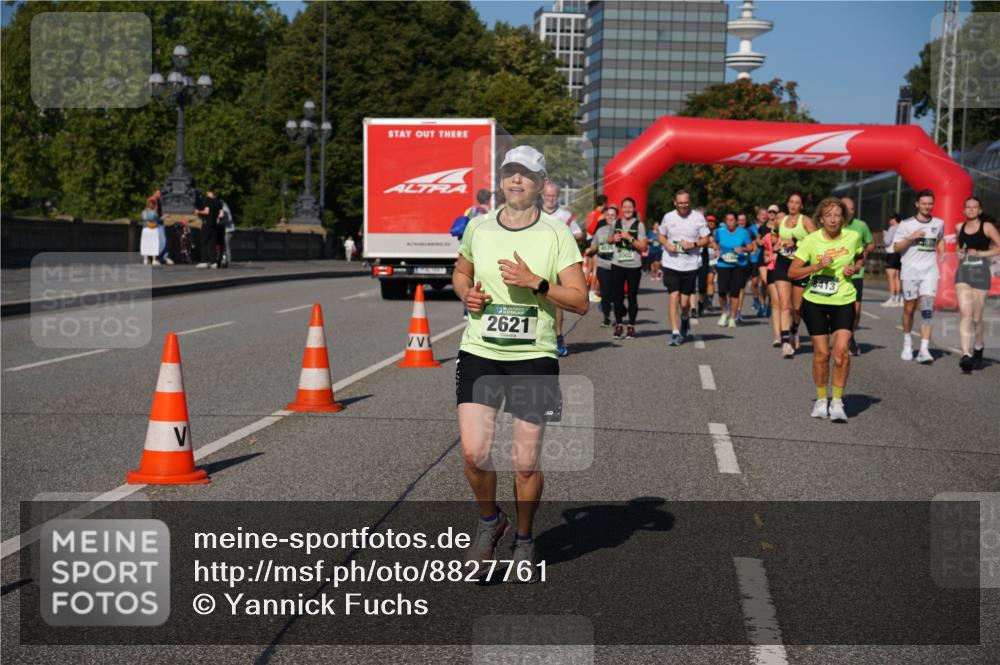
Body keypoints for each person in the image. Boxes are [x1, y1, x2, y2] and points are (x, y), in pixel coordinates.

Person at [453, 145, 587, 582]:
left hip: (534, 358)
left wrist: (537, 282)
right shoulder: (478, 227)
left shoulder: (556, 235)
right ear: (501, 180)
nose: (516, 181)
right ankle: (492, 522)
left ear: (541, 183)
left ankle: (525, 539)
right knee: (474, 454)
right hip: (481, 352)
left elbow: (581, 300)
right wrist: (466, 293)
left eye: (525, 175)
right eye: (510, 172)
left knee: (525, 462)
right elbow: (461, 272)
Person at [789, 198, 864, 423]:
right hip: (815, 301)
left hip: (843, 299)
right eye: (828, 215)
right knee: (822, 354)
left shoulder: (853, 237)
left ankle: (838, 402)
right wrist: (817, 266)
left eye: (837, 215)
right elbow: (793, 272)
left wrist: (856, 267)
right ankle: (822, 401)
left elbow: (860, 256)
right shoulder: (811, 240)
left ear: (843, 218)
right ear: (821, 218)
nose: (833, 219)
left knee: (841, 352)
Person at [893, 189, 946, 364]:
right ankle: (907, 343)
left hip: (929, 271)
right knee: (909, 308)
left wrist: (943, 252)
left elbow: (940, 239)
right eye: (924, 203)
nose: (927, 206)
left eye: (930, 203)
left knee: (927, 308)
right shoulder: (906, 224)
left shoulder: (938, 223)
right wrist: (911, 237)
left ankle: (924, 348)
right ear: (917, 204)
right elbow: (896, 248)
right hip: (910, 271)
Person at [658, 189, 710, 346]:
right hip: (671, 263)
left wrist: (692, 244)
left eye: (686, 203)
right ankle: (675, 332)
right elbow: (661, 235)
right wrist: (667, 244)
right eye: (680, 203)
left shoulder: (698, 217)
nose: (683, 206)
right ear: (675, 203)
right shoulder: (668, 217)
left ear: (690, 202)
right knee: (673, 296)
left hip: (690, 264)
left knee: (685, 303)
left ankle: (685, 318)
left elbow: (706, 239)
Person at [955, 197, 999, 371]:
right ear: (964, 211)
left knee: (976, 318)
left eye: (974, 207)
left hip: (981, 274)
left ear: (979, 210)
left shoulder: (987, 227)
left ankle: (978, 346)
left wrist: (980, 254)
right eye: (968, 207)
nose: (971, 210)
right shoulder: (959, 227)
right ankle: (966, 355)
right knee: (965, 314)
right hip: (963, 273)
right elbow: (960, 248)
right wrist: (959, 253)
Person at [543, 182, 584, 357]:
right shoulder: (534, 214)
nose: (550, 199)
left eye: (553, 196)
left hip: (557, 262)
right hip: (538, 261)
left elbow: (579, 234)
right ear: (542, 196)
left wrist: (562, 236)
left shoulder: (565, 215)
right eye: (547, 195)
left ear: (557, 196)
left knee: (556, 300)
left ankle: (558, 337)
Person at [774, 192, 817, 357]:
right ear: (787, 204)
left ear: (802, 206)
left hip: (800, 265)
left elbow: (815, 241)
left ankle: (794, 330)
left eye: (797, 203)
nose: (793, 205)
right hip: (783, 263)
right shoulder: (780, 220)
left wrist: (797, 242)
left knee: (797, 307)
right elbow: (774, 235)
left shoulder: (805, 221)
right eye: (791, 202)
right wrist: (775, 243)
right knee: (784, 304)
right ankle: (786, 343)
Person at [609, 197, 648, 339]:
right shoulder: (615, 223)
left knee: (632, 297)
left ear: (634, 208)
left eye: (630, 207)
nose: (627, 210)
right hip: (617, 263)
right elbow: (608, 239)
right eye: (625, 207)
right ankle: (619, 325)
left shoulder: (639, 225)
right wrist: (614, 239)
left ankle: (631, 326)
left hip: (633, 265)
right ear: (621, 209)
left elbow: (643, 247)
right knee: (617, 297)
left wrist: (630, 238)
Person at [840, 198, 875, 356]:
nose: (849, 211)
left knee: (856, 310)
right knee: (838, 309)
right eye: (846, 208)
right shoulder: (834, 224)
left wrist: (866, 252)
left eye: (852, 209)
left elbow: (870, 242)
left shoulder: (861, 226)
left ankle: (850, 335)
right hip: (837, 274)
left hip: (856, 273)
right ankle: (841, 337)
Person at [712, 212, 755, 328]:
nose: (730, 222)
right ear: (725, 221)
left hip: (738, 265)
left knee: (734, 293)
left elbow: (751, 247)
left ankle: (732, 317)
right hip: (723, 264)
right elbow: (713, 241)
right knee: (722, 292)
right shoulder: (720, 231)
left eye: (732, 220)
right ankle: (724, 313)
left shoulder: (743, 232)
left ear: (736, 221)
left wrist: (743, 248)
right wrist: (716, 248)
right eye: (728, 220)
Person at [584, 205, 617, 327]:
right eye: (608, 215)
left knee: (616, 293)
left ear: (616, 217)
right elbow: (594, 244)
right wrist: (590, 249)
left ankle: (620, 311)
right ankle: (607, 317)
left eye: (612, 215)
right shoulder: (600, 230)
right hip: (603, 264)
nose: (610, 217)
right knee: (605, 292)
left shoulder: (620, 230)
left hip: (616, 265)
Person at [761, 216, 782, 346]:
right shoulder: (768, 237)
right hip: (773, 270)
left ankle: (789, 331)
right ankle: (777, 336)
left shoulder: (792, 237)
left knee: (788, 304)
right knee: (775, 302)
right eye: (777, 220)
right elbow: (765, 257)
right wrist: (771, 254)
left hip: (788, 271)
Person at [585, 195, 607, 303]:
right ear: (604, 203)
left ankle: (583, 290)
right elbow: (594, 230)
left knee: (589, 268)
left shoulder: (591, 214)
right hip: (594, 242)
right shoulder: (601, 216)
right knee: (595, 268)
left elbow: (587, 228)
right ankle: (592, 292)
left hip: (588, 241)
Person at [194, 190, 224, 268]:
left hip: (207, 224)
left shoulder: (207, 200)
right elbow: (221, 214)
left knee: (203, 242)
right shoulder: (219, 202)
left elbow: (207, 212)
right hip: (214, 225)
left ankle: (204, 261)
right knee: (212, 244)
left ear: (209, 192)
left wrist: (198, 211)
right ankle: (213, 262)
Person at [881, 214, 903, 307]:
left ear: (894, 219)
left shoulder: (893, 228)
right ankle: (899, 299)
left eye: (891, 219)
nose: (889, 221)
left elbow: (887, 241)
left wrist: (885, 235)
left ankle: (892, 299)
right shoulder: (902, 227)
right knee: (897, 278)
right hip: (899, 254)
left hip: (892, 253)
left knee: (891, 278)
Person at [140, 198, 162, 266]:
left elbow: (143, 219)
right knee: (154, 244)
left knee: (145, 244)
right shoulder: (154, 213)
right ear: (154, 205)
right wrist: (163, 217)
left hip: (145, 229)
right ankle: (154, 260)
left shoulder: (143, 212)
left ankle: (145, 260)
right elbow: (157, 220)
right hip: (153, 229)